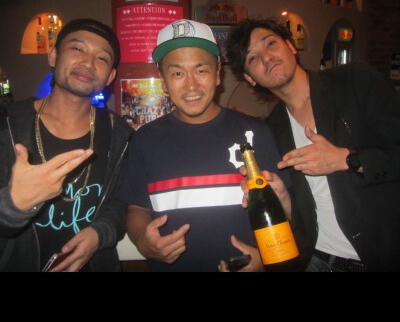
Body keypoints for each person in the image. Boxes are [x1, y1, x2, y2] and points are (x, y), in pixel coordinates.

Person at [226, 18, 400, 272]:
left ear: (291, 46)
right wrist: (283, 197)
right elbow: (302, 212)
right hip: (317, 261)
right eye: (253, 58)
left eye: (270, 44)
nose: (266, 58)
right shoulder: (271, 130)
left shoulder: (355, 81)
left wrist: (346, 159)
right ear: (250, 78)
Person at [120, 19, 291, 272]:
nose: (191, 85)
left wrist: (266, 261)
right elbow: (136, 207)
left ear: (218, 73)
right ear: (163, 81)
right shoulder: (144, 140)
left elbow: (283, 210)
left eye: (201, 70)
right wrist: (143, 242)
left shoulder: (256, 132)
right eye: (177, 73)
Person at [0, 18, 133, 272]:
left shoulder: (121, 135)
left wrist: (99, 234)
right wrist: (13, 206)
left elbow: (120, 204)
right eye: (77, 48)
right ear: (53, 55)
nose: (88, 63)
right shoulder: (6, 126)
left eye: (101, 58)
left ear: (110, 76)